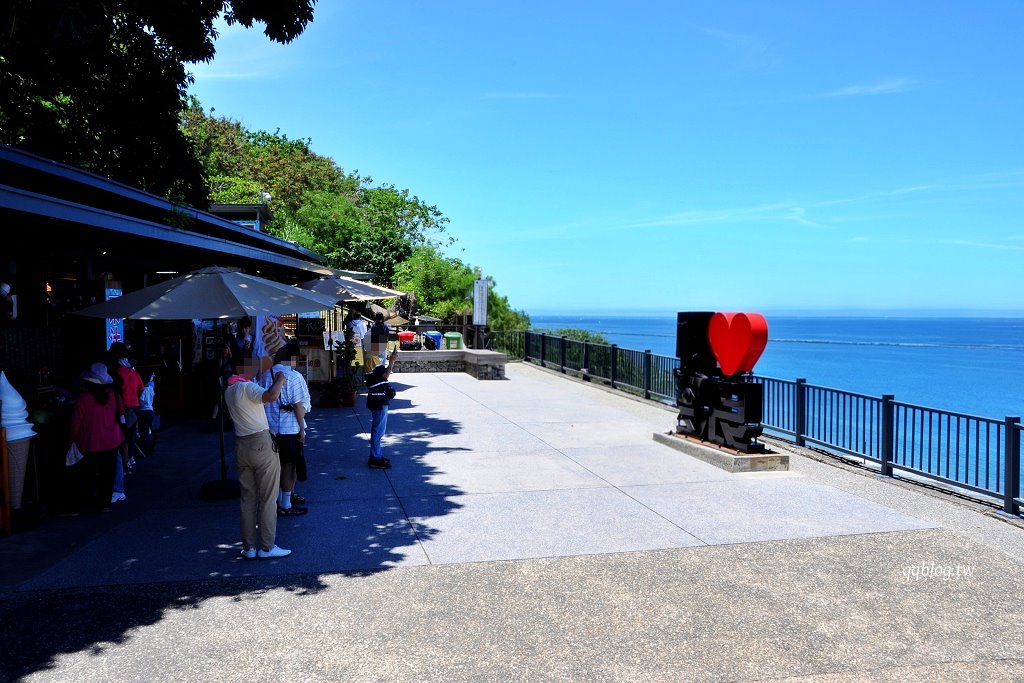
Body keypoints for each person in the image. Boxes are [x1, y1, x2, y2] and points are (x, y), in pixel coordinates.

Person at [224, 355, 291, 560]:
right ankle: (267, 546)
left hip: (241, 444)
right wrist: (280, 380)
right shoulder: (247, 387)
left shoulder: (229, 390)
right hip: (261, 443)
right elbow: (270, 396)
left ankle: (249, 547)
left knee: (247, 498)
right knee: (269, 498)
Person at [260, 341, 311, 517]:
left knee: (277, 467)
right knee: (290, 467)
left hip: (270, 428)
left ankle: (280, 500)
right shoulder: (295, 377)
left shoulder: (266, 375)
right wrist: (302, 431)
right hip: (290, 430)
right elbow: (298, 406)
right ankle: (286, 504)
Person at [69, 363, 125, 512]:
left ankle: (88, 501)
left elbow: (75, 424)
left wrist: (71, 439)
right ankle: (104, 504)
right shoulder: (114, 395)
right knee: (108, 474)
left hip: (90, 442)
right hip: (112, 440)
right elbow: (121, 412)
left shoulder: (83, 399)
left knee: (90, 474)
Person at [108, 343, 144, 503]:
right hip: (134, 406)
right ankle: (129, 459)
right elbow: (141, 388)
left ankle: (124, 463)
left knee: (121, 437)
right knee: (130, 434)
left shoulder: (114, 373)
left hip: (121, 407)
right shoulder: (132, 373)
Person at [366, 348, 399, 469]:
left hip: (377, 398)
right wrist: (392, 361)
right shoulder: (372, 359)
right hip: (378, 398)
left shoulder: (370, 357)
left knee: (378, 429)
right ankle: (375, 457)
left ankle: (377, 454)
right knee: (378, 430)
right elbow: (385, 375)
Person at [136, 373, 157, 456]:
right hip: (150, 411)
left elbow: (141, 401)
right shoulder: (152, 389)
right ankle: (150, 447)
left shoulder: (144, 389)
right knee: (149, 430)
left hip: (144, 412)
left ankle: (147, 449)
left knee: (144, 431)